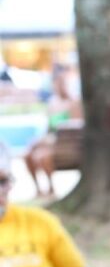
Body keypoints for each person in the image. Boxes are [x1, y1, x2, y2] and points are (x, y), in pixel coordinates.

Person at [24, 64, 79, 198]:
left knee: (42, 156)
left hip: (66, 146)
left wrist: (51, 140)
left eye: (63, 83)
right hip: (51, 142)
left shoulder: (73, 103)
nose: (61, 86)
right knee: (28, 154)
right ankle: (39, 190)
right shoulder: (52, 104)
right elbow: (48, 129)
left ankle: (51, 188)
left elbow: (75, 129)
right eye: (58, 83)